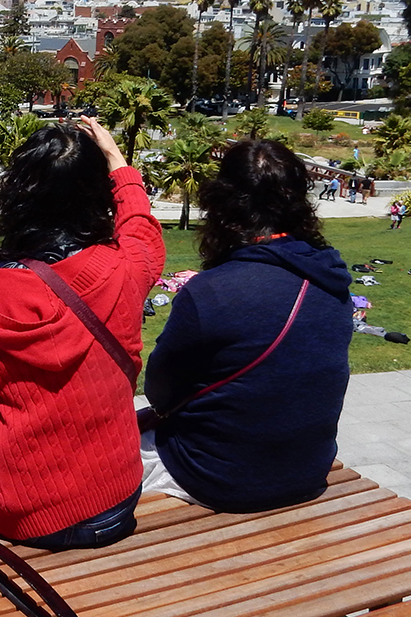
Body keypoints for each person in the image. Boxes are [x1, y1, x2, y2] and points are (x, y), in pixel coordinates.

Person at [0, 117, 165, 549]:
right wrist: (115, 158)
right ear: (98, 194)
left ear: (17, 195)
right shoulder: (127, 267)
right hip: (119, 495)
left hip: (26, 513)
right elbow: (141, 225)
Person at [139, 138, 352, 513]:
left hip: (220, 478)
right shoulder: (331, 278)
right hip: (306, 470)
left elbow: (160, 392)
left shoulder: (212, 292)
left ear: (221, 206)